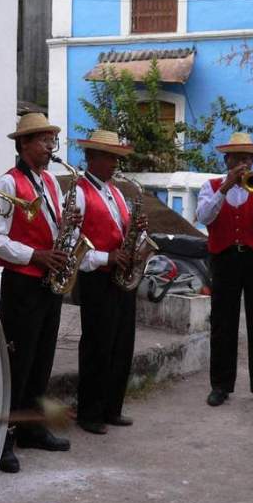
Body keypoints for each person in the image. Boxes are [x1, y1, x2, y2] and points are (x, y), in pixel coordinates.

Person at [0, 113, 72, 473]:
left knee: (42, 359)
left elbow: (51, 223)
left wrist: (68, 228)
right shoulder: (7, 184)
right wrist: (35, 254)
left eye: (52, 140)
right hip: (23, 283)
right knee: (16, 364)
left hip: (48, 281)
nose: (51, 148)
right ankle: (3, 441)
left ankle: (33, 430)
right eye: (44, 141)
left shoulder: (50, 182)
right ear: (23, 144)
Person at [195, 132, 253, 408]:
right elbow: (204, 217)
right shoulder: (210, 187)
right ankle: (220, 385)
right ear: (226, 160)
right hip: (224, 259)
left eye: (247, 158)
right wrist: (225, 188)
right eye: (237, 158)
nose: (242, 164)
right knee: (223, 323)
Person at [74, 130, 147, 435]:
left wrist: (138, 234)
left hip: (120, 276)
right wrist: (107, 258)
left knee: (121, 344)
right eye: (110, 157)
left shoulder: (116, 192)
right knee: (97, 345)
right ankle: (89, 412)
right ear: (92, 157)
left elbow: (123, 231)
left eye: (117, 157)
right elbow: (75, 243)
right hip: (97, 277)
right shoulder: (79, 192)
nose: (115, 163)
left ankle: (111, 408)